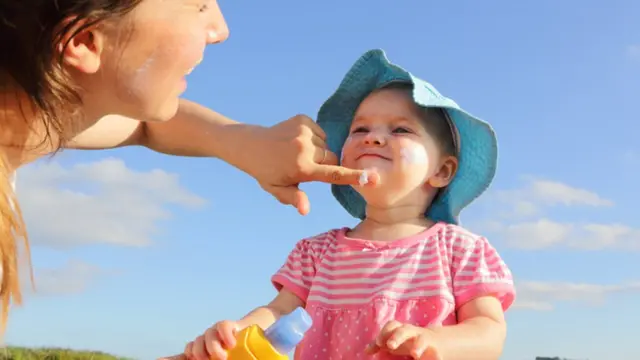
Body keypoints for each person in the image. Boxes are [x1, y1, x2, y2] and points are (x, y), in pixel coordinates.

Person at [0, 0, 378, 331]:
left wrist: (243, 142)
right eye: (197, 4)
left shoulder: (23, 121)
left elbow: (145, 127)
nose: (220, 29)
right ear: (84, 41)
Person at [177, 50, 516, 360]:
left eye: (400, 129)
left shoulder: (461, 250)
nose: (372, 137)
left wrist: (436, 341)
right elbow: (279, 313)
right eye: (360, 128)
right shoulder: (316, 253)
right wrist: (236, 332)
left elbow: (489, 332)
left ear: (442, 171)